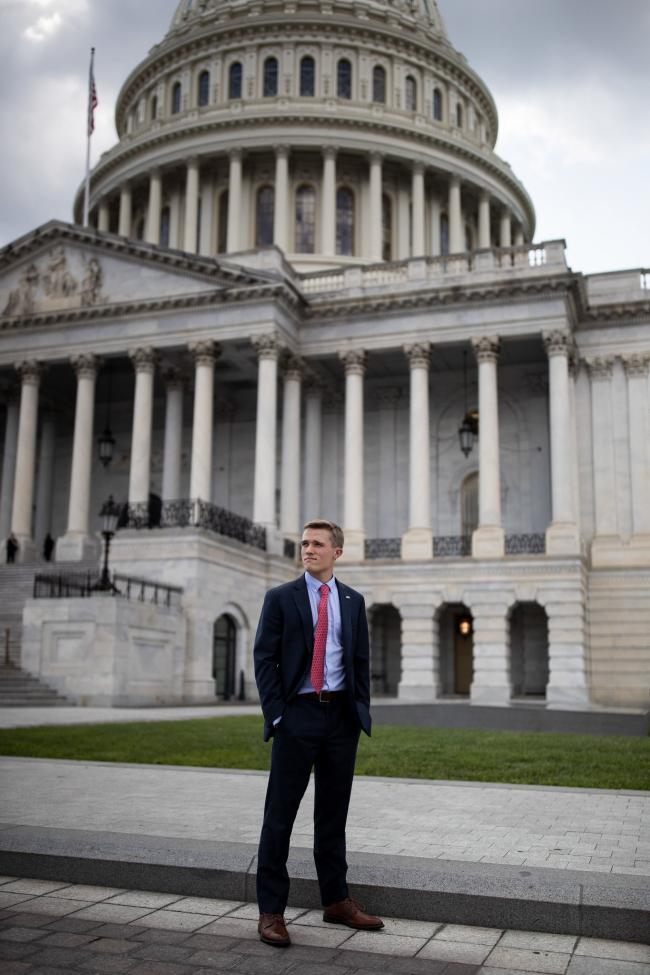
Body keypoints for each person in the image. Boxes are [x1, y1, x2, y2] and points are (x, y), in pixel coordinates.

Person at [254, 518, 383, 948]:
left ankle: (336, 901)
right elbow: (264, 659)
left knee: (333, 815)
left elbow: (359, 660)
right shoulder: (280, 598)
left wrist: (359, 713)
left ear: (336, 552)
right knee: (280, 817)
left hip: (340, 720)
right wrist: (277, 715)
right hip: (298, 717)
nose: (308, 549)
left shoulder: (351, 600)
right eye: (305, 543)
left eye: (317, 544)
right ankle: (271, 910)